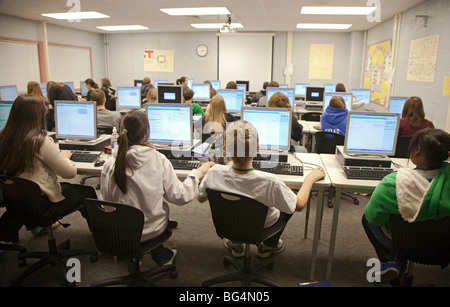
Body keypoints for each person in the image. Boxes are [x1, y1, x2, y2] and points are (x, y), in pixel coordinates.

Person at [100, 110, 214, 266]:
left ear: (121, 132)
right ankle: (160, 254)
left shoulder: (110, 163)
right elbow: (179, 196)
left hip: (119, 232)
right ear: (145, 135)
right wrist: (197, 173)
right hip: (150, 231)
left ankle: (131, 255)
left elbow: (106, 204)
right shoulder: (158, 160)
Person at [197, 120, 325, 258]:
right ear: (257, 148)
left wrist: (223, 187)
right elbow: (298, 205)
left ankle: (235, 242)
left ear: (225, 149)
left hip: (229, 224)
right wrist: (310, 179)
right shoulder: (270, 182)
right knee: (289, 198)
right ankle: (268, 245)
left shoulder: (214, 173)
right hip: (261, 227)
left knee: (234, 205)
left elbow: (200, 198)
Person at [0, 95, 97, 238]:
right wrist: (65, 158)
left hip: (17, 202)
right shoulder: (39, 142)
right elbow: (69, 173)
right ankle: (101, 236)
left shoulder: (4, 138)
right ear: (37, 117)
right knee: (87, 192)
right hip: (43, 205)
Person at [362, 128, 450, 284]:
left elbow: (374, 218)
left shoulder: (393, 183)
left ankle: (393, 259)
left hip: (405, 243)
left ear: (417, 150)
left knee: (366, 218)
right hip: (442, 249)